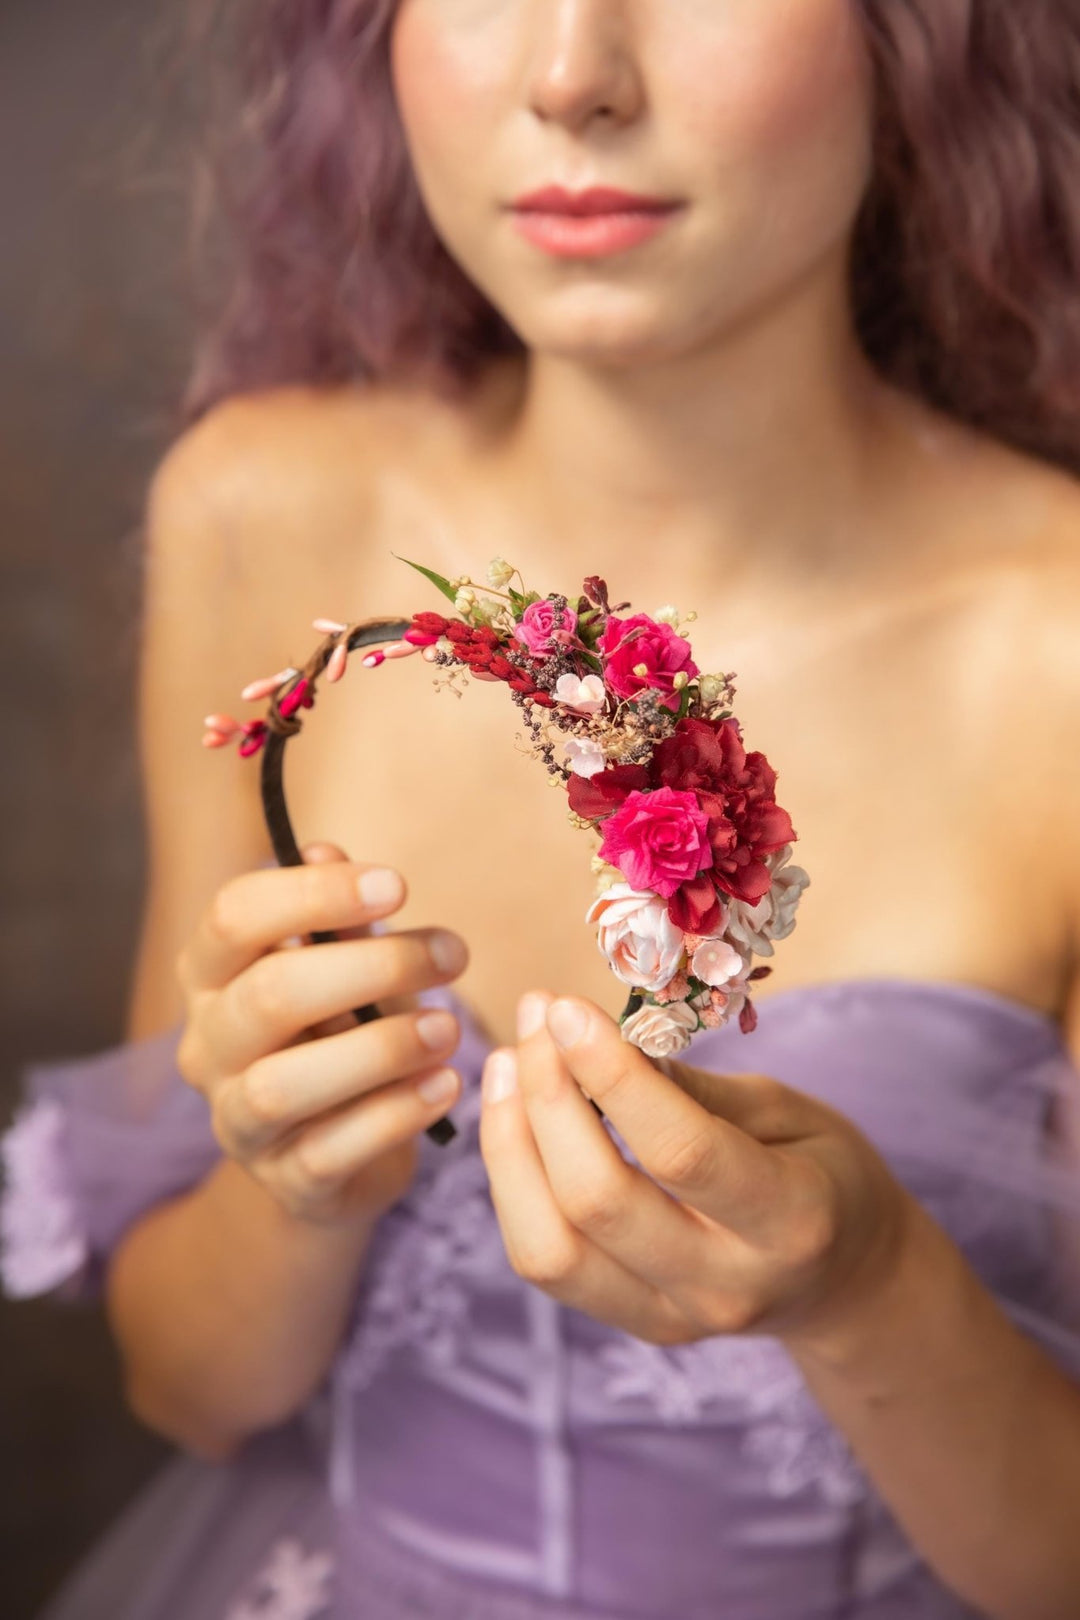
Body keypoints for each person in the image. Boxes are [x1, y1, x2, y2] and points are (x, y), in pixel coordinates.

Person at [4, 1, 1080, 1616]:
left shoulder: (1059, 648)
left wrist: (867, 1285)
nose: (573, 73)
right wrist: (299, 1185)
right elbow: (193, 1388)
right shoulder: (268, 517)